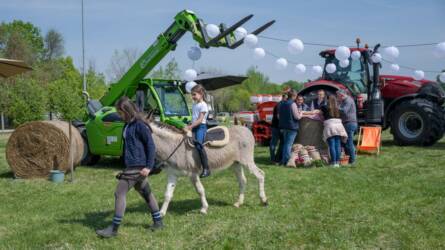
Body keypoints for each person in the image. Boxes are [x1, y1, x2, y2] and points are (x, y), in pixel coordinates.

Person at [96, 97, 163, 238]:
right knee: (146, 193)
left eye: (120, 112)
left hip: (138, 166)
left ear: (127, 111)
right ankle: (158, 221)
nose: (119, 115)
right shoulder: (128, 125)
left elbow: (150, 146)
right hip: (133, 165)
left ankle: (114, 229)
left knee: (119, 193)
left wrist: (149, 167)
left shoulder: (140, 125)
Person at [186, 84, 211, 178]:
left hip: (201, 127)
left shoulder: (203, 105)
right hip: (194, 126)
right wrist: (189, 124)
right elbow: (194, 117)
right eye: (192, 95)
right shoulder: (194, 104)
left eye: (194, 94)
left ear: (201, 94)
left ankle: (206, 168)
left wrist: (190, 127)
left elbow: (200, 120)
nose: (192, 97)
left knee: (199, 145)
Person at [320, 95, 348, 167]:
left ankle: (333, 162)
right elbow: (345, 117)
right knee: (338, 145)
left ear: (328, 101)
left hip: (330, 126)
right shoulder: (339, 110)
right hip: (339, 126)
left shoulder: (325, 108)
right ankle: (338, 162)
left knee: (332, 145)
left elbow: (319, 108)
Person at [278, 89, 303, 165]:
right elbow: (297, 117)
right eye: (296, 96)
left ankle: (283, 160)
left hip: (284, 126)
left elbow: (279, 116)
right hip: (292, 127)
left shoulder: (282, 104)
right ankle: (287, 161)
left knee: (286, 144)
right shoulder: (293, 104)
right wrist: (301, 113)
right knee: (288, 145)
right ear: (293, 96)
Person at [337, 89, 358, 164]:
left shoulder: (348, 100)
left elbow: (344, 111)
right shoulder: (345, 101)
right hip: (348, 123)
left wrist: (336, 107)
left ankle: (353, 160)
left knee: (349, 142)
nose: (338, 98)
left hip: (349, 123)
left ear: (342, 95)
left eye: (338, 96)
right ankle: (349, 159)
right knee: (346, 142)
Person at [269, 94, 287, 163]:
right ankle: (273, 158)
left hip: (280, 127)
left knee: (282, 143)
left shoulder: (283, 105)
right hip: (276, 127)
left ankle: (277, 158)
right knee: (274, 143)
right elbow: (279, 117)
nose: (287, 100)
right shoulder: (279, 105)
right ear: (283, 98)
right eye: (286, 98)